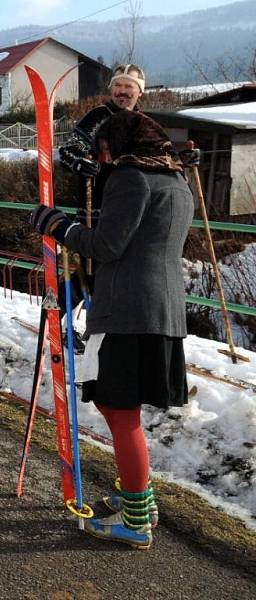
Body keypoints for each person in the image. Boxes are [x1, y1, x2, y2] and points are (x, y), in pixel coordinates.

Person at [30, 110, 194, 550]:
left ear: (118, 146)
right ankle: (140, 499)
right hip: (163, 312)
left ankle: (136, 519)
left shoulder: (130, 177)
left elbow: (106, 245)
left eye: (104, 150)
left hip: (126, 312)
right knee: (122, 412)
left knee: (120, 415)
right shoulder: (178, 182)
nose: (102, 159)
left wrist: (56, 225)